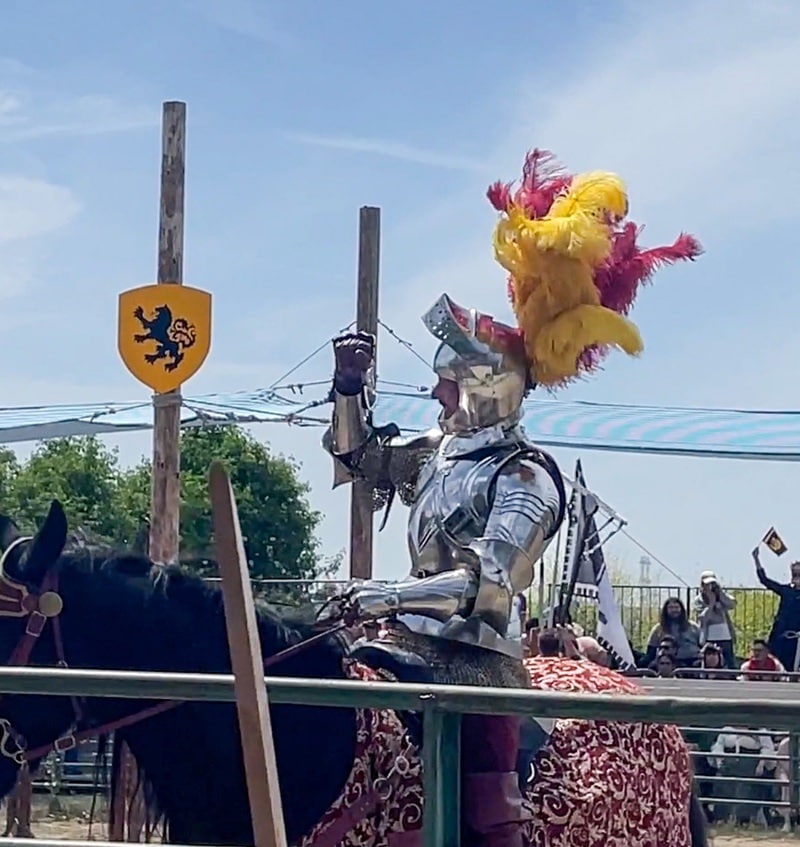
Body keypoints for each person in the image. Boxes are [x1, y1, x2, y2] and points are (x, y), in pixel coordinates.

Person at [321, 148, 697, 847]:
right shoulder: (435, 452)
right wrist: (348, 389)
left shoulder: (527, 474)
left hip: (476, 662)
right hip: (397, 645)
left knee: (487, 802)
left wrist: (385, 594)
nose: (434, 392)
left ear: (483, 384)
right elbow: (357, 456)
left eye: (445, 381)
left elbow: (489, 584)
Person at [752, 547, 800, 673]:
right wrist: (757, 559)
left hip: (797, 639)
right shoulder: (786, 590)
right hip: (781, 637)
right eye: (795, 574)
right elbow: (765, 580)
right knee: (777, 664)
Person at [640, 597, 702, 668]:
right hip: (668, 664)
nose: (674, 610)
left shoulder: (693, 627)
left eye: (676, 607)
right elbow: (651, 652)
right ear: (666, 610)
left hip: (692, 662)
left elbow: (702, 645)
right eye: (671, 607)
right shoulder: (658, 629)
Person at [693, 571, 737, 668]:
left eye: (712, 584)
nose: (710, 587)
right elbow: (704, 618)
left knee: (729, 664)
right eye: (707, 584)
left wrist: (720, 593)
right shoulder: (698, 601)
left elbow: (732, 604)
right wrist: (711, 603)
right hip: (709, 637)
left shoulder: (721, 596)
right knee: (709, 663)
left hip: (725, 637)